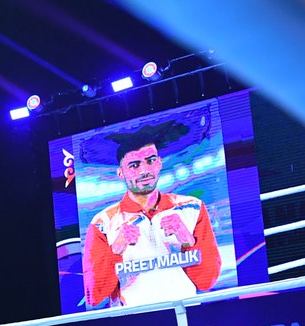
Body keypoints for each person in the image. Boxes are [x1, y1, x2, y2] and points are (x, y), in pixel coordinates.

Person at [82, 127, 221, 308]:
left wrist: (188, 242)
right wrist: (115, 250)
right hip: (132, 323)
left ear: (160, 163)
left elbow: (208, 281)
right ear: (120, 173)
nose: (144, 171)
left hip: (186, 316)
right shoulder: (102, 222)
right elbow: (94, 295)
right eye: (134, 165)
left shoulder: (192, 207)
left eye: (150, 161)